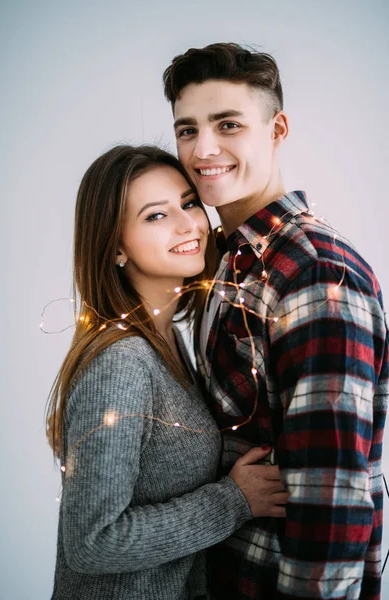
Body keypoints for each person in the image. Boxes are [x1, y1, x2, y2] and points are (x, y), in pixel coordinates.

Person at [163, 43, 389, 599]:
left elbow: (330, 498)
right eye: (187, 130)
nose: (203, 149)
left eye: (229, 124)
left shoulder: (314, 273)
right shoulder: (227, 257)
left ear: (277, 129)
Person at [46, 144, 289, 600]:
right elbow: (92, 542)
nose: (188, 225)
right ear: (115, 246)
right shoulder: (120, 364)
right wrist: (232, 501)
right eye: (156, 215)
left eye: (189, 202)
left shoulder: (174, 342)